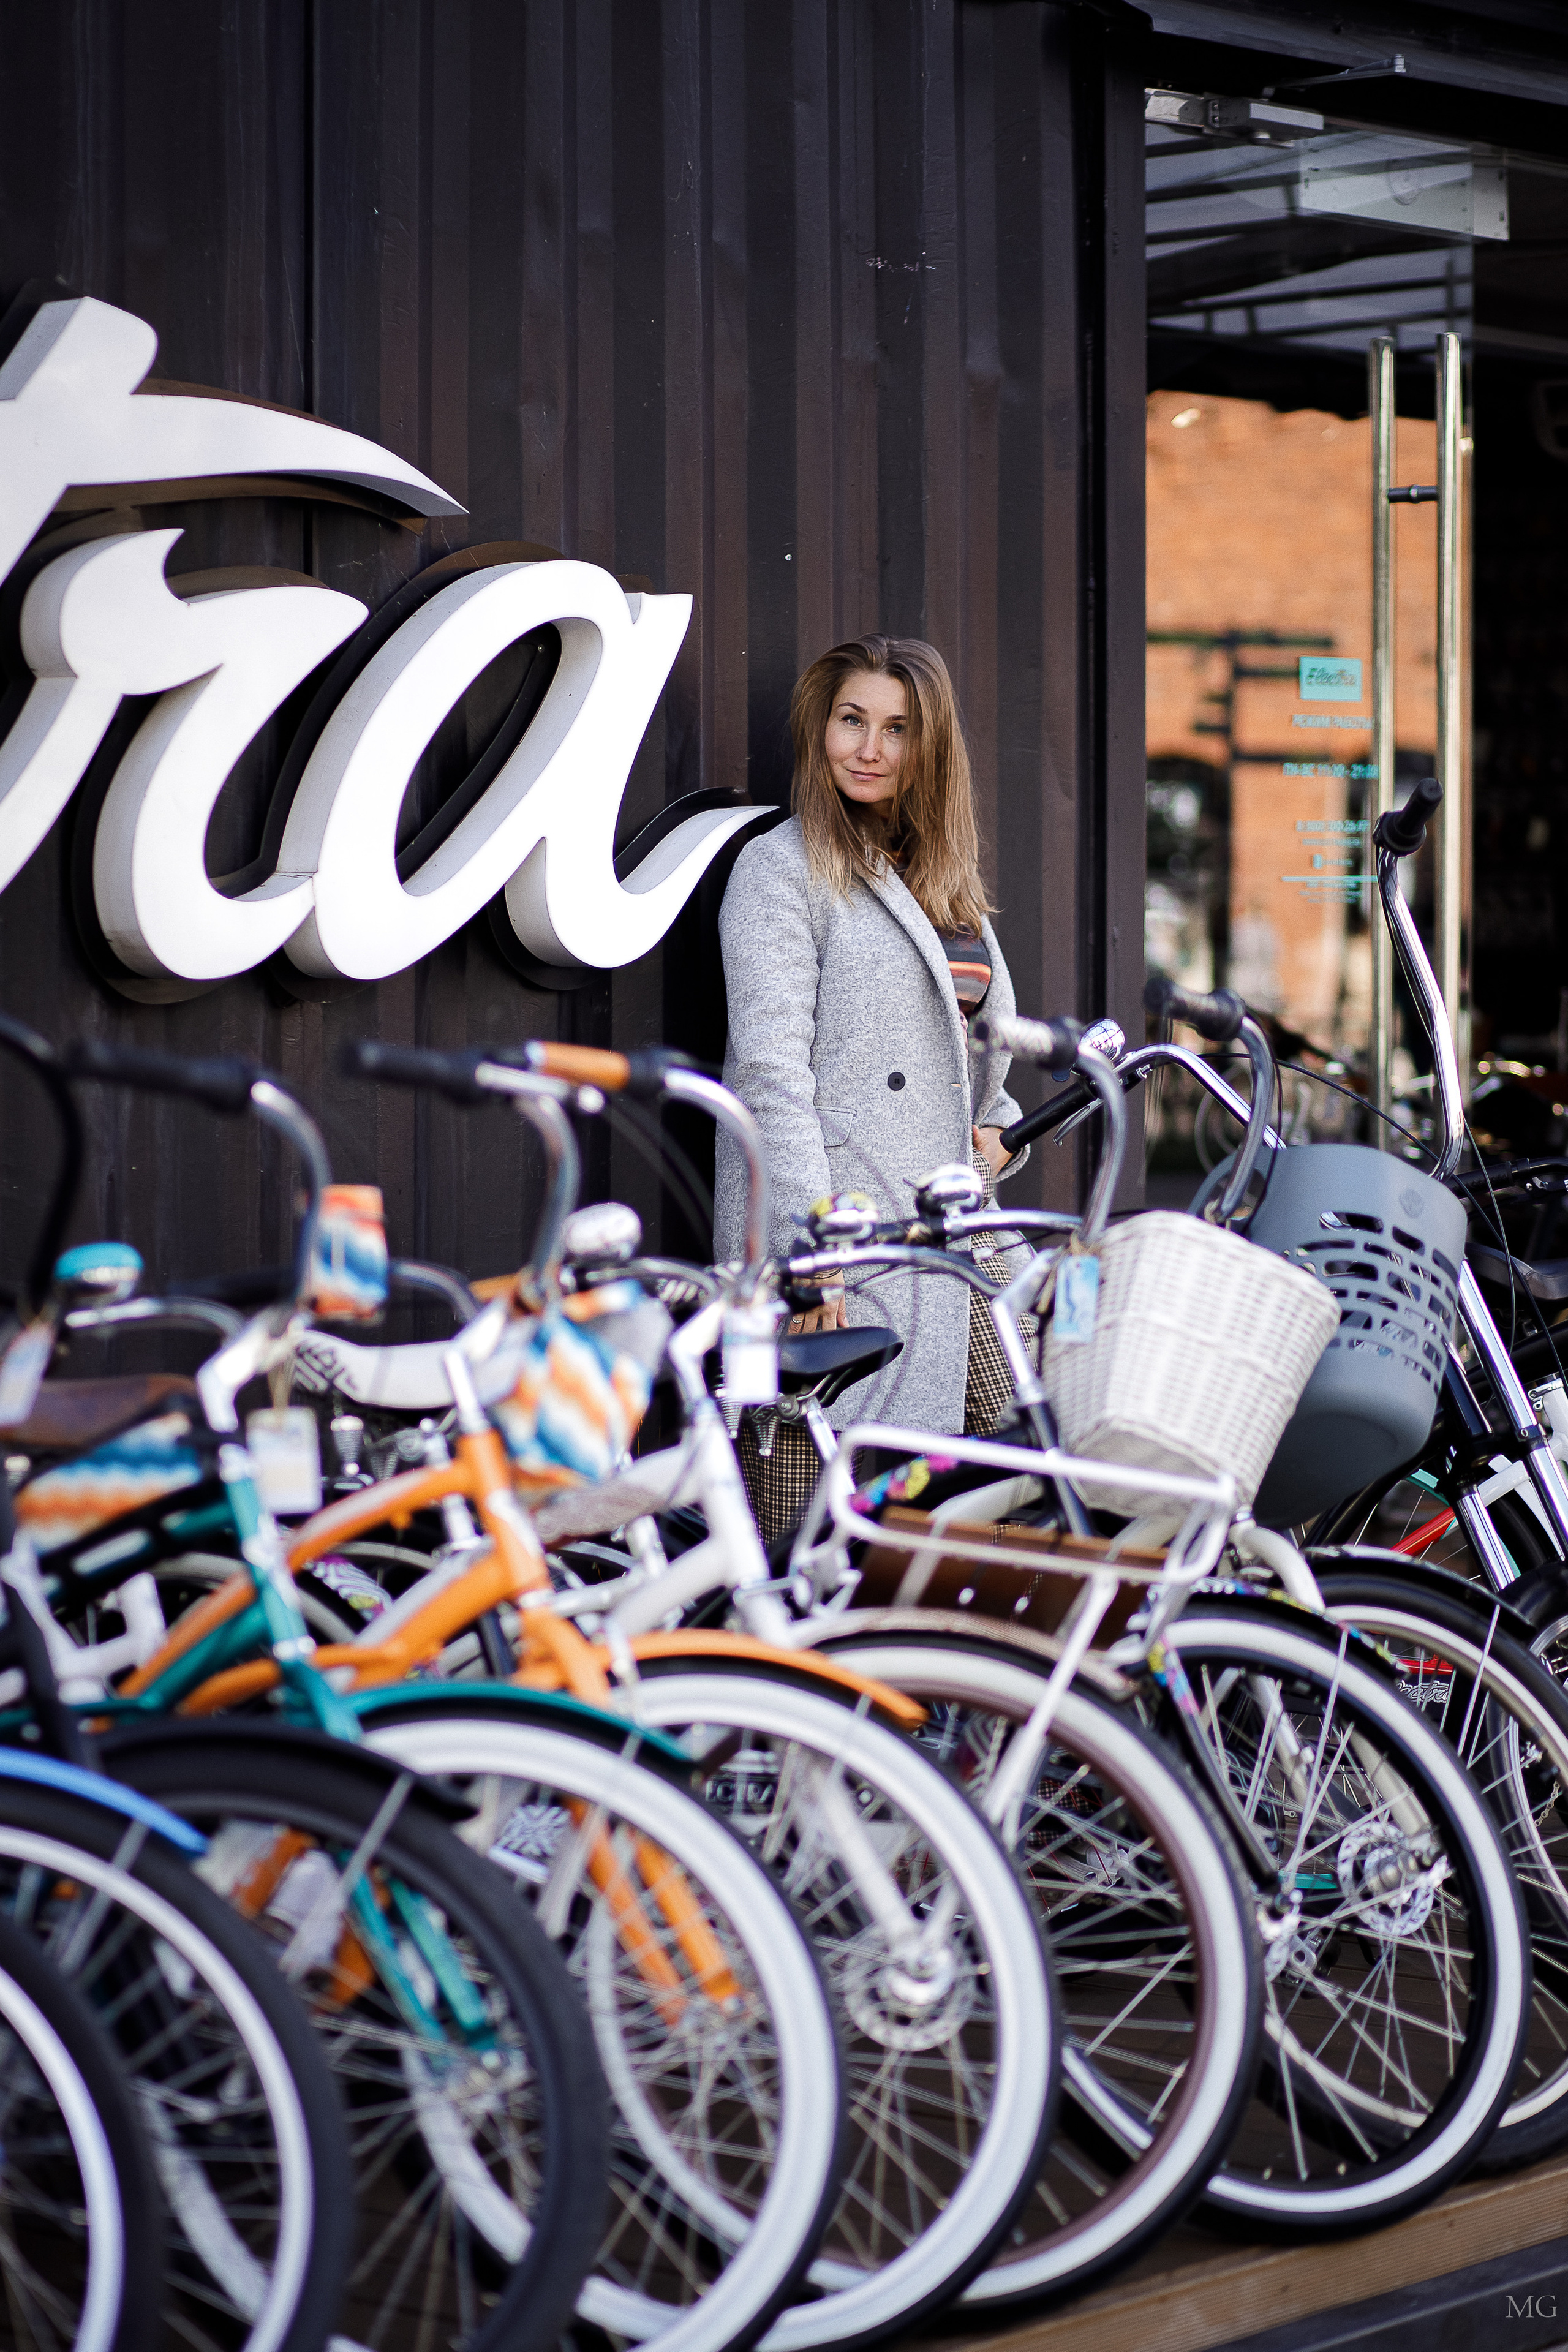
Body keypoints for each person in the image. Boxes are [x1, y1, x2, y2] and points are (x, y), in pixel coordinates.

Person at [715, 633, 1030, 1539]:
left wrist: (1002, 1125)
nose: (869, 748)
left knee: (1038, 1447)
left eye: (897, 730)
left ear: (928, 751)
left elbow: (968, 1046)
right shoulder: (782, 869)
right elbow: (772, 1076)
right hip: (838, 1227)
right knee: (807, 1528)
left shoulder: (946, 885)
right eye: (852, 721)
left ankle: (958, 1666)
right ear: (821, 730)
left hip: (952, 1224)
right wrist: (813, 1257)